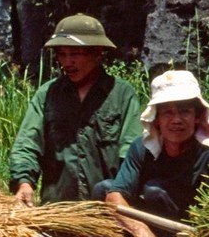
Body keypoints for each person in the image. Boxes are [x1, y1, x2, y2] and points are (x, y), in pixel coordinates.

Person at [97, 69, 209, 237]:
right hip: (148, 229)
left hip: (188, 234)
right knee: (103, 189)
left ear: (197, 116)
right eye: (168, 113)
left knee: (155, 191)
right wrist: (140, 230)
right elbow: (115, 196)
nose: (176, 120)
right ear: (156, 119)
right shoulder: (142, 148)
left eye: (185, 111)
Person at [9, 14, 142, 205]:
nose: (67, 62)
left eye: (75, 54)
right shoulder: (47, 94)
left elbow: (131, 154)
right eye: (61, 54)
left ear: (98, 53)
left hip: (107, 209)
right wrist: (24, 182)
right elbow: (27, 145)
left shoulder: (121, 94)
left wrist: (119, 196)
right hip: (59, 210)